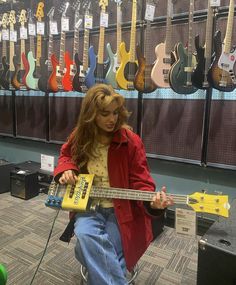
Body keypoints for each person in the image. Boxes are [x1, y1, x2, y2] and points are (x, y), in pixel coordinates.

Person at [54, 84, 173, 285]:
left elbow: (141, 180)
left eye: (115, 113)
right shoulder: (81, 136)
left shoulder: (131, 141)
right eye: (105, 114)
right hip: (89, 208)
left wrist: (152, 203)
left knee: (91, 248)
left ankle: (85, 254)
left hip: (122, 212)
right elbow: (66, 155)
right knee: (88, 238)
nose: (112, 119)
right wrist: (67, 169)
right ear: (91, 114)